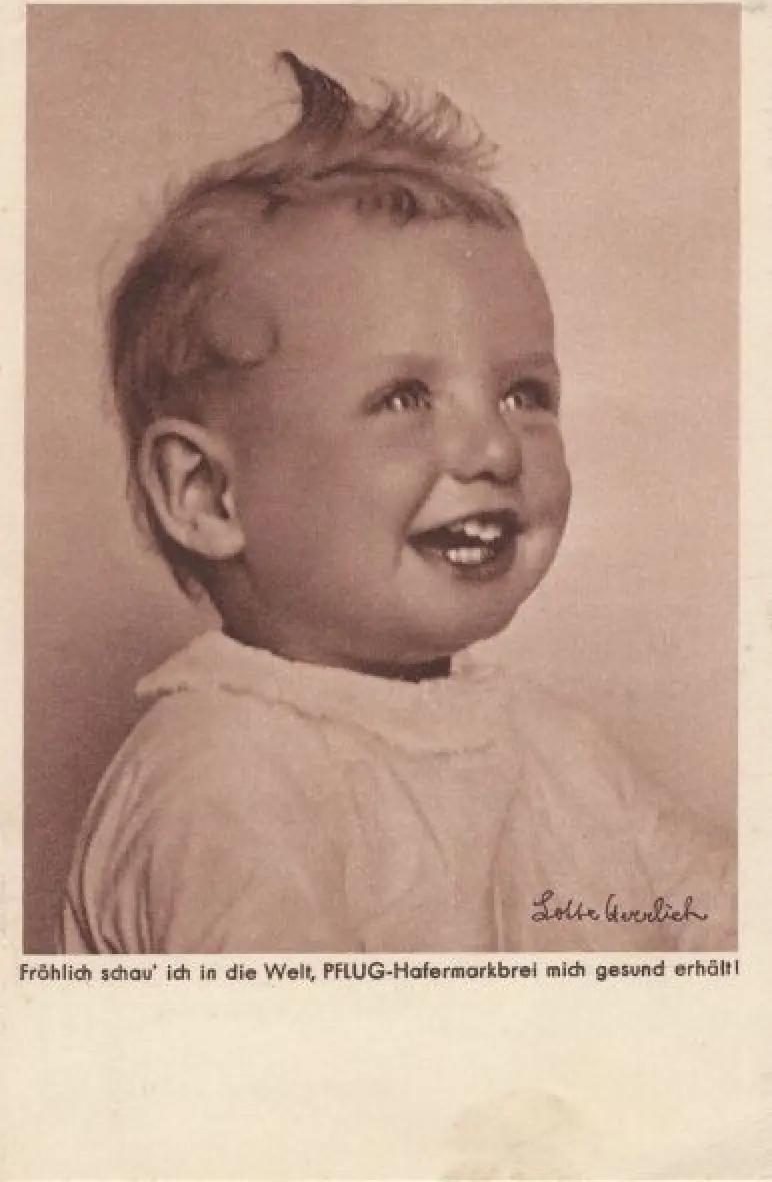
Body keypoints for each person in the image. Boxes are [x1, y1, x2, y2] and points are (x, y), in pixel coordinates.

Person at [58, 52, 735, 954]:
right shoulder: (221, 776)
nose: (494, 449)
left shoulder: (552, 746)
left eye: (523, 394)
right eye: (405, 398)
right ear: (208, 493)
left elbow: (721, 926)